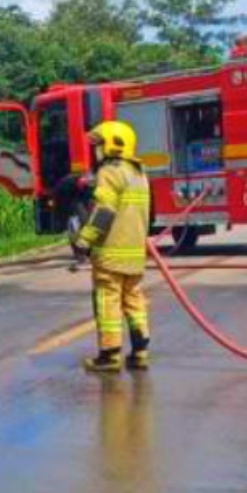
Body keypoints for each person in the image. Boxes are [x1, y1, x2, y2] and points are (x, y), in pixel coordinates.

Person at [74, 120, 153, 374]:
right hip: (135, 253)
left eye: (98, 144)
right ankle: (140, 352)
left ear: (112, 145)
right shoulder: (139, 173)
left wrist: (84, 240)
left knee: (107, 299)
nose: (96, 150)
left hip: (111, 252)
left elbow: (104, 211)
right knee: (134, 299)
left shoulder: (110, 171)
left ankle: (109, 356)